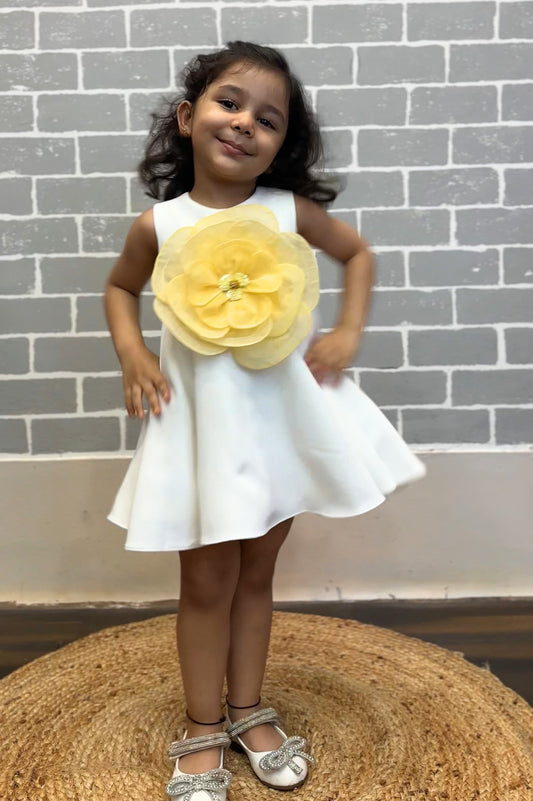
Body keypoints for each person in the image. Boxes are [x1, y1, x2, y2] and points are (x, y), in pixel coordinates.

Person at [104, 40, 426, 801]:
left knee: (257, 570)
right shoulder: (161, 224)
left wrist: (345, 330)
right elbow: (119, 289)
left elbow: (358, 255)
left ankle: (247, 707)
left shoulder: (287, 212)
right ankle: (200, 723)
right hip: (202, 432)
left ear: (282, 144)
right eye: (229, 102)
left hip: (277, 428)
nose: (245, 122)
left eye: (269, 119)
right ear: (188, 117)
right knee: (206, 576)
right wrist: (132, 354)